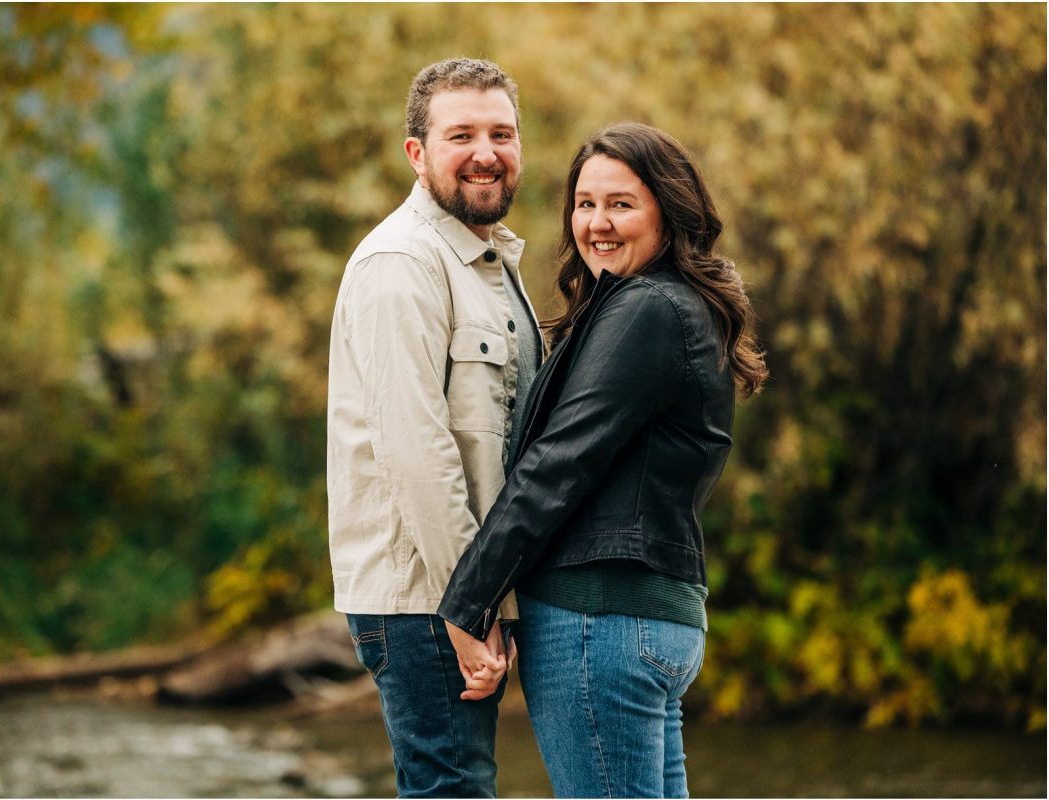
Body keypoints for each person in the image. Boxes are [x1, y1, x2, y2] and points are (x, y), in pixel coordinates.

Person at [439, 122, 768, 798]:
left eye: (621, 204)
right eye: (585, 205)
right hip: (651, 622)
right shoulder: (675, 306)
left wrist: (467, 601)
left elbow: (559, 464)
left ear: (669, 212)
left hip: (598, 625)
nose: (598, 223)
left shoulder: (647, 309)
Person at [326, 57, 542, 798]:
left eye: (502, 133)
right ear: (417, 153)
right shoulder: (401, 263)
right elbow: (415, 453)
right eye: (462, 135)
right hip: (426, 597)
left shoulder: (489, 262)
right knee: (451, 789)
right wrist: (468, 604)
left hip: (461, 589)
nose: (487, 152)